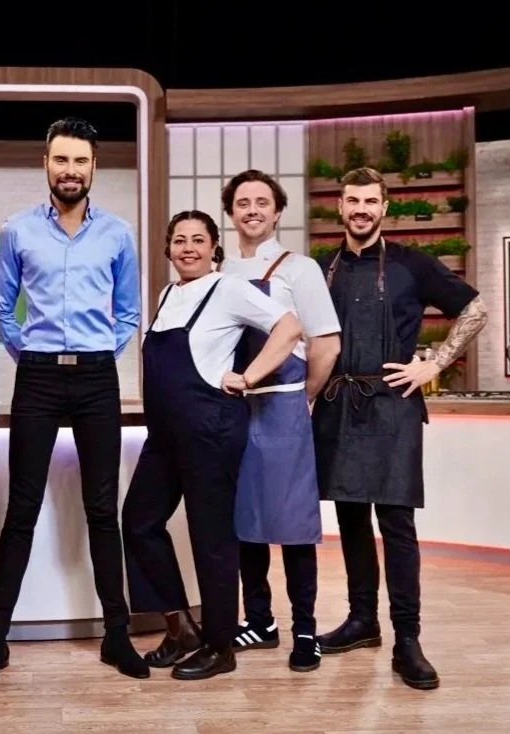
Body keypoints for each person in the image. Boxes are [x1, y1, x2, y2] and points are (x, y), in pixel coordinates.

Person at [0, 117, 146, 685]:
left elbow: (128, 313)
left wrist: (99, 355)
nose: (71, 171)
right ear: (46, 164)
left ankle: (117, 637)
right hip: (39, 379)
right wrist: (31, 356)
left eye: (82, 161)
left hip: (96, 379)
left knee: (102, 511)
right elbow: (1, 308)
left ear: (95, 167)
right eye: (62, 160)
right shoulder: (18, 230)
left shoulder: (117, 234)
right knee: (20, 511)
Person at [311, 167, 488, 690]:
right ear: (339, 208)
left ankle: (407, 639)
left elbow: (475, 308)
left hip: (394, 406)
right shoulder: (323, 269)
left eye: (370, 201)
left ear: (384, 207)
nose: (361, 209)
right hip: (339, 402)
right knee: (349, 519)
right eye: (352, 200)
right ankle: (362, 621)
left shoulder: (414, 264)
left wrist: (433, 363)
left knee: (396, 525)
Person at [122, 210, 304, 680]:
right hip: (164, 434)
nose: (188, 248)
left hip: (212, 430)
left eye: (198, 240)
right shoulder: (166, 295)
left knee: (212, 539)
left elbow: (289, 328)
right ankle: (180, 626)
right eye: (179, 240)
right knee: (139, 522)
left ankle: (221, 646)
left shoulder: (228, 289)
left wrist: (248, 376)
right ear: (168, 249)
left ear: (213, 248)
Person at [218, 170, 341, 672]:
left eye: (261, 202)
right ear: (230, 211)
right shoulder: (218, 269)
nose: (252, 210)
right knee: (245, 523)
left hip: (284, 406)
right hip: (234, 408)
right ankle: (262, 621)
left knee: (292, 526)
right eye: (242, 202)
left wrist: (302, 396)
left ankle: (305, 630)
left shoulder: (300, 268)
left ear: (277, 210)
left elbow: (326, 344)